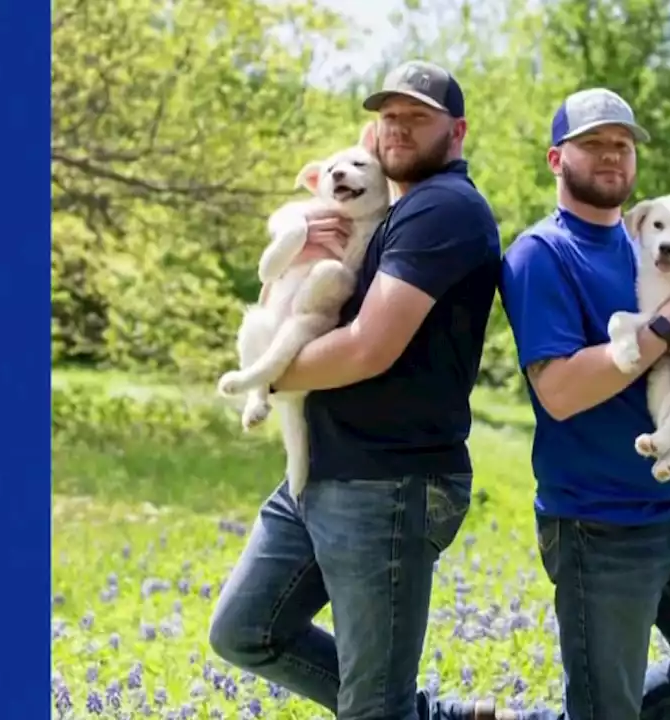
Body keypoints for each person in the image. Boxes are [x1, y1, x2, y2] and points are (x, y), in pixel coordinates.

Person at [208, 60, 503, 720]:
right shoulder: (387, 209)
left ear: (455, 132)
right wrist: (302, 244)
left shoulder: (443, 208)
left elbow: (369, 347)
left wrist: (266, 373)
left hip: (387, 483)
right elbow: (288, 299)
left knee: (373, 708)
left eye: (416, 118)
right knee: (244, 630)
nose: (396, 129)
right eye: (387, 117)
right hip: (325, 468)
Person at [496, 88, 670, 720]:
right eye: (591, 144)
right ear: (554, 159)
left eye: (621, 145)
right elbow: (561, 392)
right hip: (599, 524)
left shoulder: (659, 240)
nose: (610, 156)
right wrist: (669, 327)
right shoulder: (540, 255)